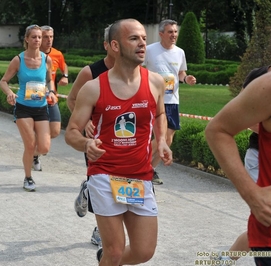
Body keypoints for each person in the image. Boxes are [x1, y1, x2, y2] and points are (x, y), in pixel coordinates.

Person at [65, 19, 172, 265]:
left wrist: (162, 141)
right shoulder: (93, 88)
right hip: (104, 174)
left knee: (145, 251)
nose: (142, 43)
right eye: (134, 38)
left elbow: (159, 114)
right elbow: (71, 131)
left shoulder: (155, 82)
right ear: (115, 45)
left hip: (140, 176)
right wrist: (85, 144)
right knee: (115, 249)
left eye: (144, 38)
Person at [212, 19, 271, 263]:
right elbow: (231, 122)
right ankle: (225, 258)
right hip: (259, 155)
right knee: (266, 217)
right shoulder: (262, 80)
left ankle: (224, 258)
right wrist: (251, 194)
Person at [67, 24, 115, 247]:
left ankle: (88, 189)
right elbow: (72, 99)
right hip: (97, 139)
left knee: (119, 183)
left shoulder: (139, 72)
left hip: (124, 139)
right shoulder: (91, 72)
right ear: (108, 45)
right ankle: (99, 229)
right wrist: (85, 122)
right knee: (103, 183)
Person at [0, 24, 56, 192]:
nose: (38, 40)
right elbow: (3, 81)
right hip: (23, 106)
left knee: (44, 147)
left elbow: (49, 79)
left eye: (40, 37)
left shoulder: (47, 59)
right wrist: (9, 93)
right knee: (30, 144)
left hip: (41, 107)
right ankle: (28, 177)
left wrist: (51, 91)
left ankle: (31, 156)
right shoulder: (18, 59)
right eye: (34, 37)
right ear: (27, 39)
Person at [143, 19, 196, 185]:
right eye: (170, 32)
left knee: (168, 140)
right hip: (152, 99)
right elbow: (138, 70)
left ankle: (147, 170)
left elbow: (181, 73)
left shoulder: (179, 52)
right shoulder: (150, 50)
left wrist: (186, 78)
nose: (174, 35)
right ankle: (142, 168)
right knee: (158, 138)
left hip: (172, 100)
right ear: (161, 34)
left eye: (175, 32)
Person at [34, 25, 68, 171]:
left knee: (54, 131)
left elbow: (64, 65)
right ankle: (35, 154)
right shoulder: (31, 55)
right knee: (37, 134)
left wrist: (65, 76)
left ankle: (35, 153)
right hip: (34, 100)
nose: (49, 40)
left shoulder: (56, 54)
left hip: (50, 98)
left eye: (51, 37)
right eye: (46, 37)